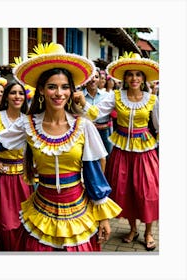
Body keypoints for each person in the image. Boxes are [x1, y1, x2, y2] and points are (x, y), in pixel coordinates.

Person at [0, 42, 122, 251]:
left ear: (71, 90)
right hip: (41, 209)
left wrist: (103, 217)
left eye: (64, 87)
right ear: (41, 90)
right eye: (52, 87)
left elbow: (95, 172)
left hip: (78, 209)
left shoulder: (83, 126)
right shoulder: (28, 124)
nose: (59, 93)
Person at [74, 52, 159, 251]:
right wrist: (83, 102)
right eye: (130, 74)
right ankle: (132, 229)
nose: (134, 78)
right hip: (121, 150)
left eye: (139, 74)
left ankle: (148, 233)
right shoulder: (115, 96)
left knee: (147, 192)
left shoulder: (152, 99)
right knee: (125, 190)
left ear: (144, 78)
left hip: (145, 151)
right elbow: (96, 114)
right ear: (125, 77)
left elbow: (160, 126)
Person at [0, 81, 34, 250]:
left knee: (21, 221)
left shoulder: (29, 121)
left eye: (20, 93)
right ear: (6, 96)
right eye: (13, 93)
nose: (17, 97)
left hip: (22, 179)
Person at [82, 69, 113, 157]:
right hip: (85, 132)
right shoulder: (79, 96)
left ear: (99, 79)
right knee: (89, 158)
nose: (93, 79)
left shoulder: (107, 96)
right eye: (91, 77)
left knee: (106, 157)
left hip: (104, 131)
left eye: (96, 77)